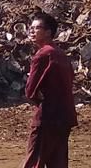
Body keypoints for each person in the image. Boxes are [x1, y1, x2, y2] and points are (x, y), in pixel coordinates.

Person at [23, 12, 77, 168]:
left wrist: (39, 101)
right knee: (58, 163)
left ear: (48, 32)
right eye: (30, 28)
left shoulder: (42, 55)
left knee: (34, 161)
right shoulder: (61, 54)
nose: (31, 31)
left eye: (36, 28)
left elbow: (30, 91)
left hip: (47, 117)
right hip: (65, 117)